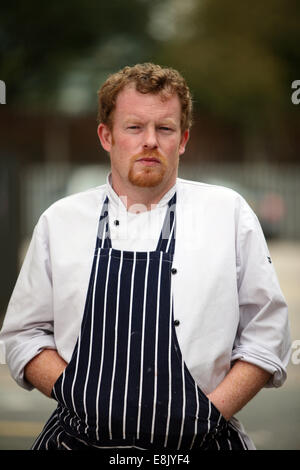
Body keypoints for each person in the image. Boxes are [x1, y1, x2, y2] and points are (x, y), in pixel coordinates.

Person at [0, 63, 291, 451]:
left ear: (183, 139)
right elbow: (24, 334)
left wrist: (211, 412)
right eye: (134, 127)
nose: (150, 141)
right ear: (107, 136)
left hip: (202, 442)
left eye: (165, 128)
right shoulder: (61, 221)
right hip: (76, 441)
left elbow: (267, 333)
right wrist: (76, 393)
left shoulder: (229, 214)